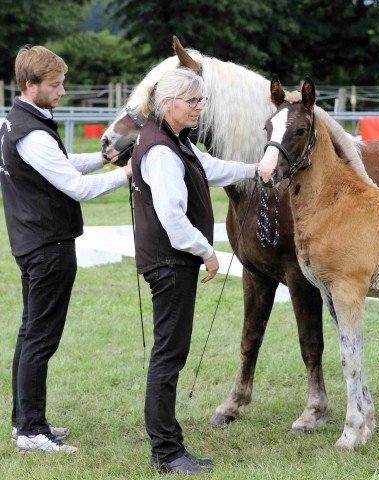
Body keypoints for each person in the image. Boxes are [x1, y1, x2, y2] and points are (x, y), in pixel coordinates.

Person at [0, 45, 132, 453]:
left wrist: (104, 157)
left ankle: (25, 422)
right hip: (47, 246)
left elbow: (63, 161)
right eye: (54, 85)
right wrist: (125, 173)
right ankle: (33, 432)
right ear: (30, 85)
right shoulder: (33, 133)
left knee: (31, 334)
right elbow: (75, 187)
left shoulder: (18, 122)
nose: (62, 91)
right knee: (41, 337)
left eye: (62, 83)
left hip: (31, 240)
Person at [130, 67, 256, 475]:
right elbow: (171, 215)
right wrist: (207, 252)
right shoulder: (162, 150)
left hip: (172, 262)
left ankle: (169, 445)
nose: (200, 108)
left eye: (202, 101)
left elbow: (212, 168)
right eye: (193, 101)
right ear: (168, 104)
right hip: (170, 263)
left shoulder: (176, 142)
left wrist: (256, 171)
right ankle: (166, 452)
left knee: (171, 353)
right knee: (169, 356)